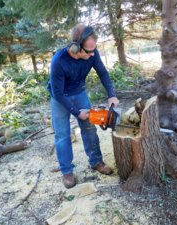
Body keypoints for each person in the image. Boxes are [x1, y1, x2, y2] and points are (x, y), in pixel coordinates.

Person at [47, 24, 119, 188]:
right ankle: (67, 171)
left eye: (94, 49)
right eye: (88, 51)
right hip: (60, 98)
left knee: (90, 128)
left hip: (79, 93)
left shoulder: (92, 53)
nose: (93, 54)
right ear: (75, 48)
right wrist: (76, 112)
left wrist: (111, 94)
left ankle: (96, 162)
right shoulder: (59, 60)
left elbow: (103, 72)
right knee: (63, 135)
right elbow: (58, 93)